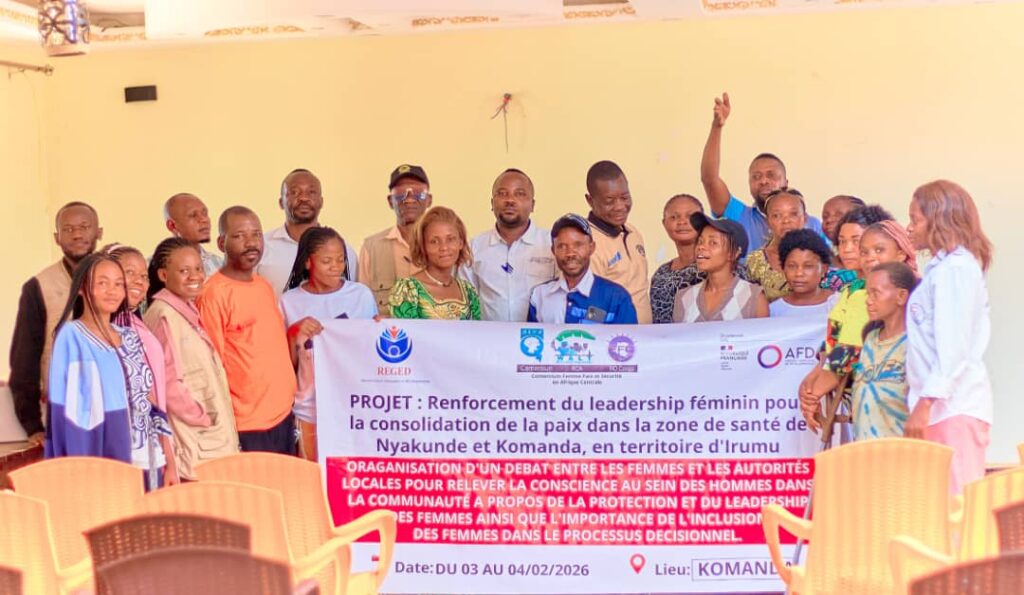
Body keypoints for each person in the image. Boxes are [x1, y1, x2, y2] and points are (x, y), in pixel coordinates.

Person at [46, 253, 172, 490]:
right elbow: (71, 411)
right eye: (102, 283)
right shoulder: (72, 337)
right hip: (104, 456)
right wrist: (82, 469)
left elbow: (149, 400)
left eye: (118, 284)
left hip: (148, 455)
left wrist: (169, 457)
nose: (112, 291)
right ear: (81, 288)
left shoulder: (129, 336)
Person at [903, 180, 994, 494]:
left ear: (938, 220)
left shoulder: (956, 270)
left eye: (915, 220)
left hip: (953, 407)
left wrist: (926, 402)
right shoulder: (941, 269)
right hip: (940, 410)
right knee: (938, 505)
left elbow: (954, 348)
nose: (909, 227)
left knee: (957, 506)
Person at [198, 206, 300, 454]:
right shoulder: (213, 294)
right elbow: (211, 367)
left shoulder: (263, 286)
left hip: (283, 414)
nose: (251, 243)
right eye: (239, 236)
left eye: (256, 234)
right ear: (221, 243)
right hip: (248, 425)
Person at [144, 237, 240, 480]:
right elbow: (168, 383)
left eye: (198, 268)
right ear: (163, 275)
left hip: (209, 440)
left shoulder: (184, 309)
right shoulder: (165, 316)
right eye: (184, 271)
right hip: (196, 442)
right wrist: (201, 417)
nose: (195, 276)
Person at [9, 202, 102, 446]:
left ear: (99, 232)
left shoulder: (117, 279)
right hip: (63, 412)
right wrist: (32, 425)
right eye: (68, 229)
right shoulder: (39, 287)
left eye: (84, 227)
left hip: (113, 409)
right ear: (56, 238)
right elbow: (24, 358)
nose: (77, 234)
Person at [281, 227, 377, 461]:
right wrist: (294, 333)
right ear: (307, 262)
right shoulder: (289, 302)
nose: (336, 266)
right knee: (311, 478)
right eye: (327, 261)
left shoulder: (360, 296)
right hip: (309, 410)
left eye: (340, 259)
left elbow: (371, 355)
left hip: (354, 407)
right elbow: (284, 367)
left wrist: (380, 329)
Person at [799, 205, 897, 432]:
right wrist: (814, 376)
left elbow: (848, 351)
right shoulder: (851, 289)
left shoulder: (873, 293)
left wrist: (813, 394)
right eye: (842, 242)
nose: (847, 249)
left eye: (856, 240)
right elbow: (834, 343)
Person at [699, 93, 823, 250]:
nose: (763, 181)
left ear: (786, 183)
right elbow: (709, 179)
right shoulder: (740, 215)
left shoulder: (812, 224)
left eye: (771, 175)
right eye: (756, 177)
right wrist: (716, 127)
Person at [103, 244, 178, 489]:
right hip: (122, 456)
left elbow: (154, 399)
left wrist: (169, 459)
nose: (139, 281)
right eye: (130, 273)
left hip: (150, 450)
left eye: (144, 276)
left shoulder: (136, 325)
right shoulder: (102, 332)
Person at [464, 168, 556, 321]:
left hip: (538, 335)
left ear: (532, 205)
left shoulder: (551, 245)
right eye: (502, 193)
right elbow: (466, 304)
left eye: (519, 194)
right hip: (488, 335)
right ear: (492, 203)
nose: (510, 200)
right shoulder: (474, 248)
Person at [259, 169, 358, 295]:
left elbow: (352, 299)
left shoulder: (344, 252)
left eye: (311, 192)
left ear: (321, 202)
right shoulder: (261, 248)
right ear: (281, 202)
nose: (304, 198)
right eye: (294, 192)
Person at [528, 214, 637, 325]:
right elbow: (532, 335)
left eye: (578, 245)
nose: (570, 253)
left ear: (591, 248)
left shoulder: (616, 297)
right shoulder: (540, 295)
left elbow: (628, 336)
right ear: (553, 250)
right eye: (562, 246)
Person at [851, 262, 918, 440]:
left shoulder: (914, 344)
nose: (868, 300)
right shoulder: (870, 339)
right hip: (865, 449)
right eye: (868, 293)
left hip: (900, 448)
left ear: (901, 296)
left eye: (876, 293)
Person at [359, 164, 431, 316]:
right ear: (390, 201)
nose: (409, 200)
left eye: (418, 193)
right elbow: (362, 308)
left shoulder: (445, 247)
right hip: (389, 331)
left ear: (429, 200)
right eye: (400, 194)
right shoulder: (372, 247)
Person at [584, 160, 651, 323]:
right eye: (609, 201)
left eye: (625, 197)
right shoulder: (586, 244)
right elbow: (590, 306)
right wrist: (601, 333)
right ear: (590, 200)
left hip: (646, 335)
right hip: (616, 336)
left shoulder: (633, 232)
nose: (620, 206)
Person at [389, 206, 481, 320]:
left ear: (460, 243)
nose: (444, 247)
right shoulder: (408, 290)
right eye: (434, 241)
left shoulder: (469, 291)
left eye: (450, 239)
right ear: (423, 246)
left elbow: (476, 330)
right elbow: (404, 330)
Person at [673, 214, 768, 322]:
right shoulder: (684, 298)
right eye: (700, 241)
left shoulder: (754, 298)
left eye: (713, 243)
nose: (701, 247)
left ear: (734, 253)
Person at [744, 189, 808, 302]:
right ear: (768, 221)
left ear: (805, 218)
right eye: (777, 215)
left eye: (793, 214)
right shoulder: (755, 261)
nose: (786, 221)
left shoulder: (819, 256)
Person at [650, 194, 704, 324]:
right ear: (664, 223)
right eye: (674, 217)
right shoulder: (661, 274)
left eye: (690, 216)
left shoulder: (715, 268)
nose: (682, 222)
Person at [769, 229, 837, 319]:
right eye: (792, 266)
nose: (799, 273)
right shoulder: (774, 311)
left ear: (824, 269)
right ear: (783, 268)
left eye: (808, 266)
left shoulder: (838, 303)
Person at [163, 192, 223, 278]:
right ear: (172, 226)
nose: (204, 219)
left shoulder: (218, 263)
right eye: (193, 215)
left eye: (205, 213)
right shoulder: (151, 269)